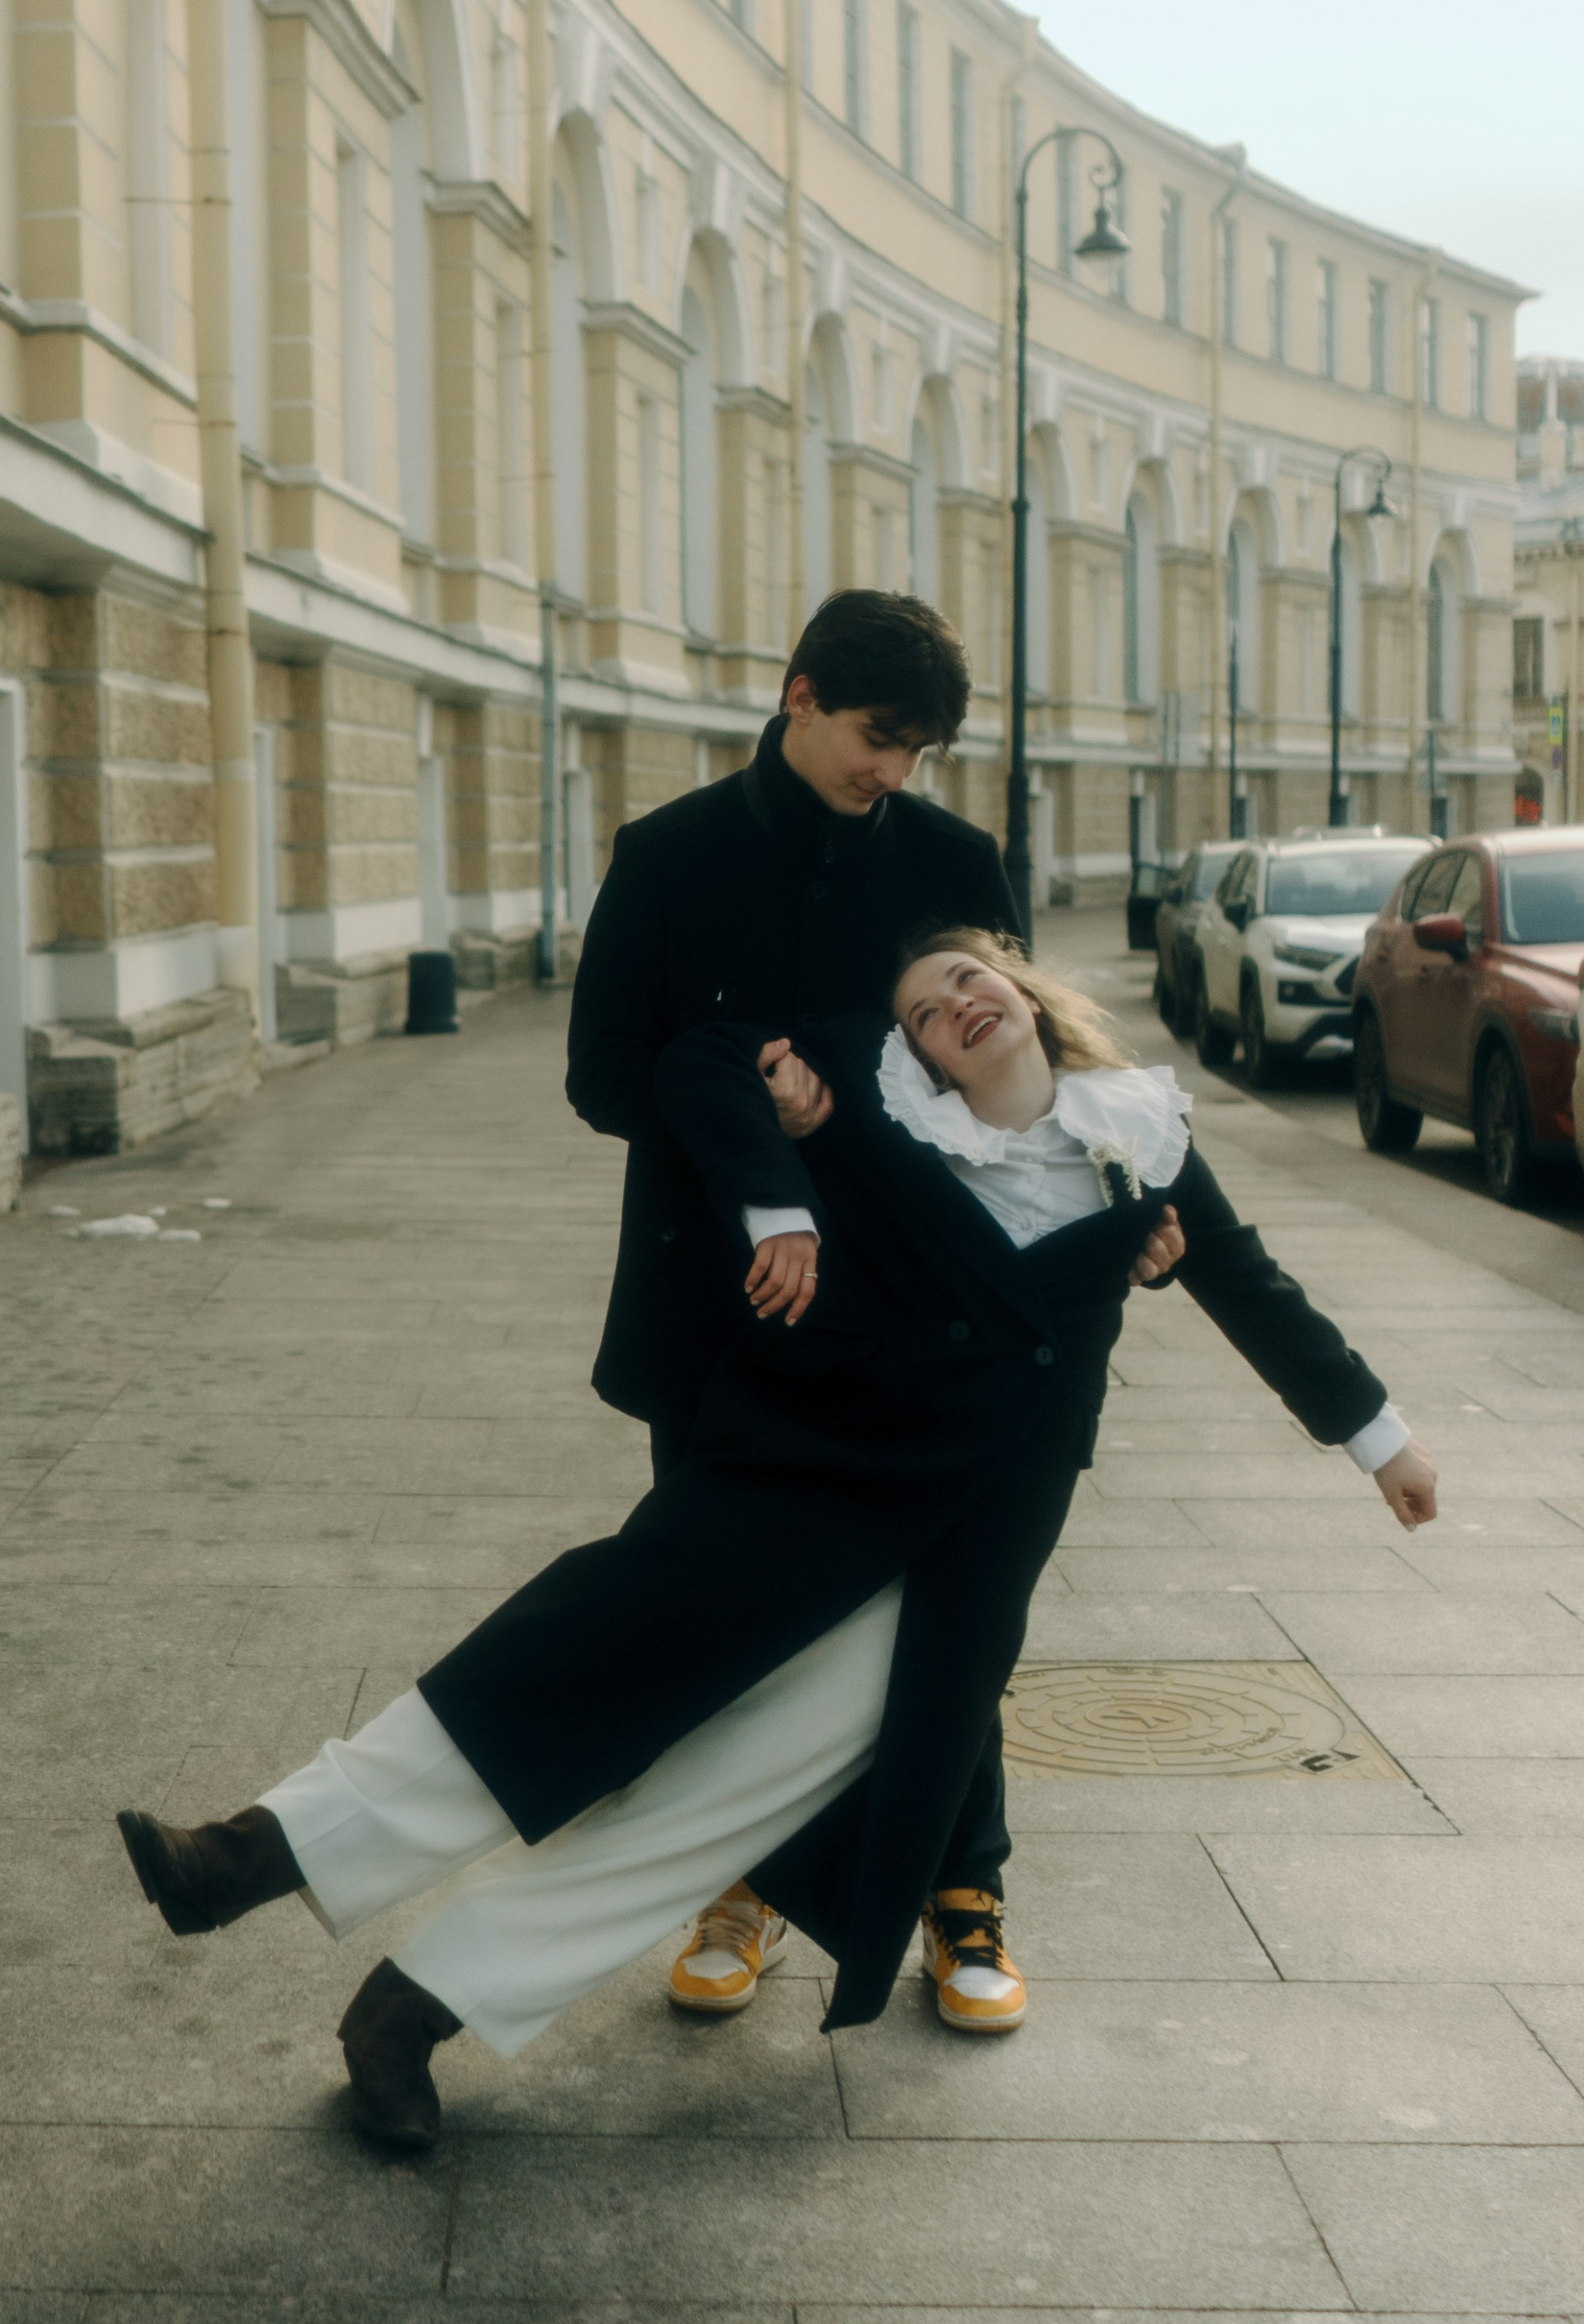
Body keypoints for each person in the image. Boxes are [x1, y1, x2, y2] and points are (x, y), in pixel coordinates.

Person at [116, 929, 1436, 2151]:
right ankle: (247, 1853)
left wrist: (1380, 1439)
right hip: (815, 1469)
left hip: (969, 1539)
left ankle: (411, 2010)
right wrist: (780, 1182)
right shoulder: (881, 1110)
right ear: (912, 1047)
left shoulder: (1141, 1138)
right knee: (570, 1654)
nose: (952, 1005)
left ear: (1025, 993)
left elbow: (1255, 1287)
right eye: (922, 1008)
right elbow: (700, 1058)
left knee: (721, 1802)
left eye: (971, 978)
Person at [565, 590, 1011, 2023]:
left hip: (912, 1303)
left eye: (921, 749)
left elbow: (1017, 1069)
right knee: (729, 1601)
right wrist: (736, 1113)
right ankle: (742, 1881)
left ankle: (967, 1893)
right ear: (799, 694)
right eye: (880, 738)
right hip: (717, 1305)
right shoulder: (670, 852)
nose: (897, 772)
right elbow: (599, 1077)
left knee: (950, 1592)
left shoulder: (954, 861)